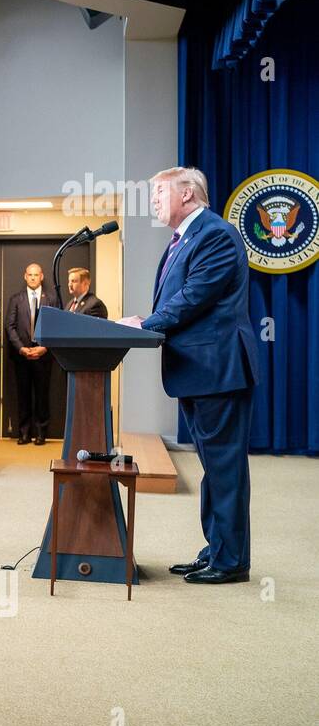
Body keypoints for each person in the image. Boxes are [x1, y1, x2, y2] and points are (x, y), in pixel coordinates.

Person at [118, 166, 258, 584]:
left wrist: (145, 324)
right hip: (200, 371)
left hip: (219, 369)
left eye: (159, 193)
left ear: (187, 195)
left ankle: (231, 561)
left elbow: (194, 297)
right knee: (213, 467)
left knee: (225, 467)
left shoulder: (214, 234)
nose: (155, 202)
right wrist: (147, 319)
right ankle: (216, 549)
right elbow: (182, 299)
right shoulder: (183, 240)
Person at [6, 263, 58, 446]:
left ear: (42, 276)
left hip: (43, 356)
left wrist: (44, 347)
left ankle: (41, 433)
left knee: (42, 396)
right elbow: (10, 327)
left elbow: (56, 326)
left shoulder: (51, 299)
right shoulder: (15, 299)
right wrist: (21, 348)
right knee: (23, 395)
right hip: (22, 356)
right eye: (30, 274)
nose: (33, 277)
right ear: (25, 276)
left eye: (36, 274)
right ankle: (24, 433)